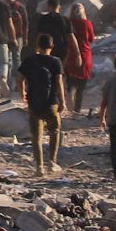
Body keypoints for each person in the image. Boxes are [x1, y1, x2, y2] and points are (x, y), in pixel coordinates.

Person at [18, 34, 67, 175]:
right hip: (51, 103)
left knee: (36, 137)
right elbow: (59, 83)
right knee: (55, 131)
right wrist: (62, 101)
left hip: (34, 103)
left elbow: (19, 78)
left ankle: (39, 167)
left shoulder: (29, 61)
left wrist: (22, 93)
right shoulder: (56, 62)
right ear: (52, 47)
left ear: (38, 46)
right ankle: (52, 162)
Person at [63, 3, 95, 111]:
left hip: (70, 55)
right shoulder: (87, 23)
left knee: (70, 83)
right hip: (85, 56)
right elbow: (91, 39)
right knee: (81, 88)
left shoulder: (68, 22)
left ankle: (69, 100)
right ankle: (77, 110)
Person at [32, 0, 72, 66]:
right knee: (59, 70)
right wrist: (77, 53)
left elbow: (40, 35)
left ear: (49, 6)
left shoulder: (43, 19)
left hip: (47, 49)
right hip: (62, 50)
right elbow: (71, 37)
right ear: (59, 6)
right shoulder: (65, 20)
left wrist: (37, 48)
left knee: (47, 70)